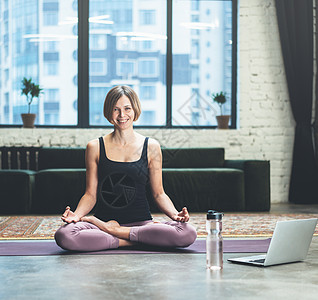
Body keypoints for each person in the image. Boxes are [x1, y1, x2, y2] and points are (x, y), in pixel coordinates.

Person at [54, 85, 197, 252]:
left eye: (127, 108)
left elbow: (159, 193)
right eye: (116, 109)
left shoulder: (151, 146)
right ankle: (139, 240)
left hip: (141, 223)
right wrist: (77, 216)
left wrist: (174, 215)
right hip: (103, 223)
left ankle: (116, 234)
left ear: (135, 110)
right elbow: (90, 194)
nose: (122, 115)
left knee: (187, 233)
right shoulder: (95, 147)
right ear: (108, 112)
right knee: (64, 235)